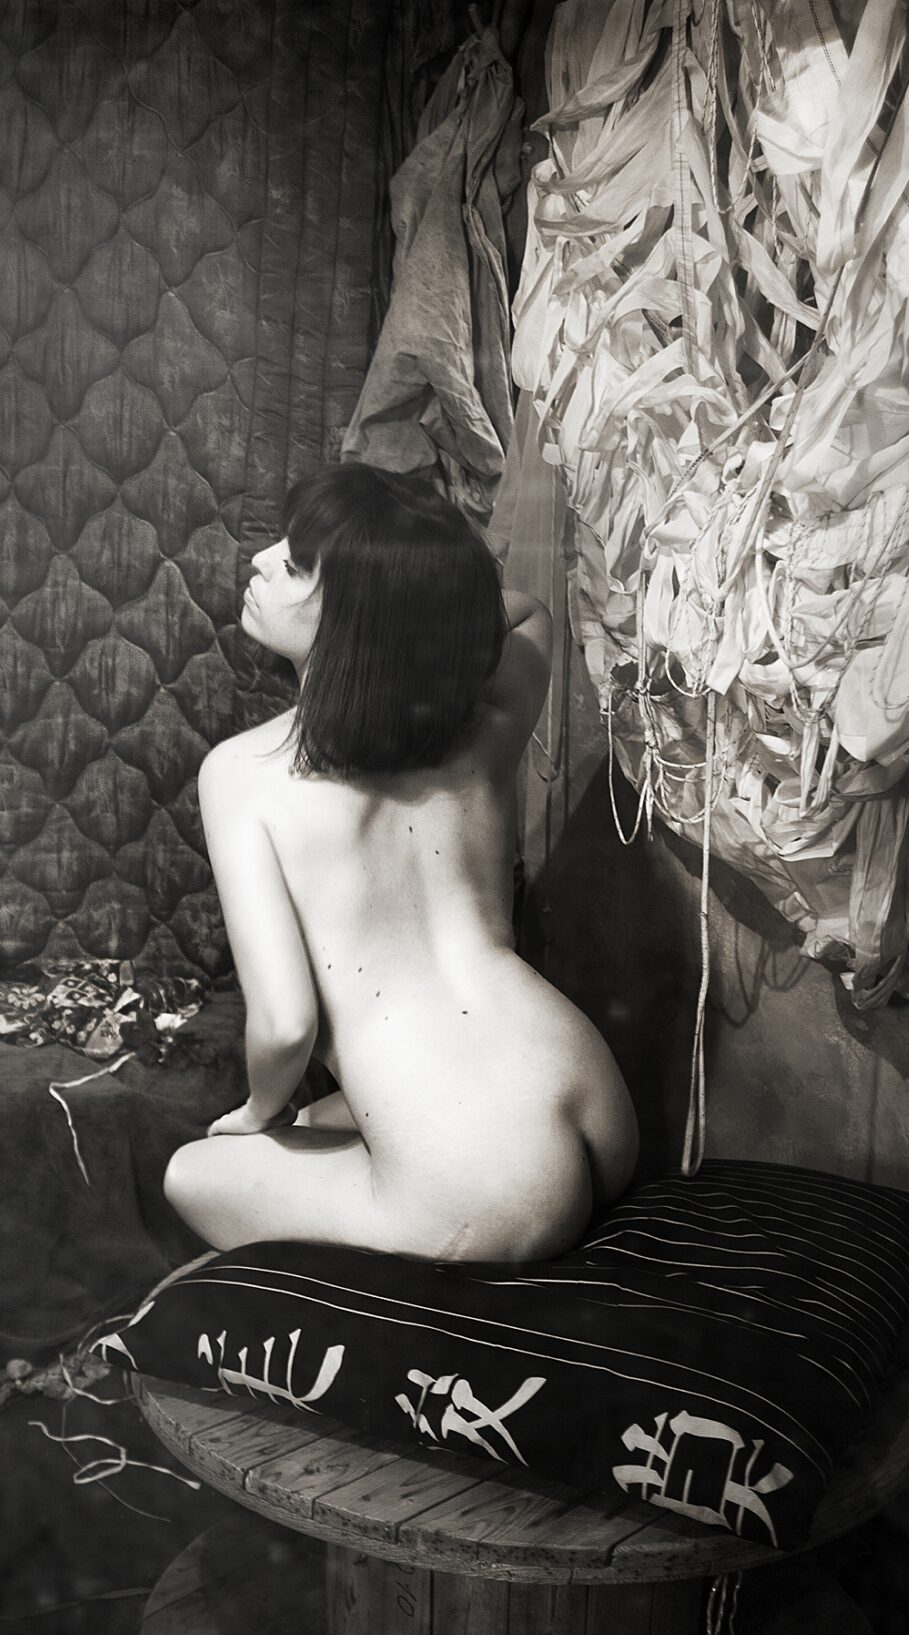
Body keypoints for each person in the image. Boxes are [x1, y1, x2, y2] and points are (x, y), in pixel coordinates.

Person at [163, 462, 638, 1262]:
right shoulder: (485, 727)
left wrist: (255, 1115)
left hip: (493, 1195)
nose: (259, 561)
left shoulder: (244, 774)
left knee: (191, 1171)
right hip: (596, 1106)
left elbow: (285, 1025)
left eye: (294, 565)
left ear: (357, 614)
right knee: (326, 1121)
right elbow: (526, 613)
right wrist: (417, 601)